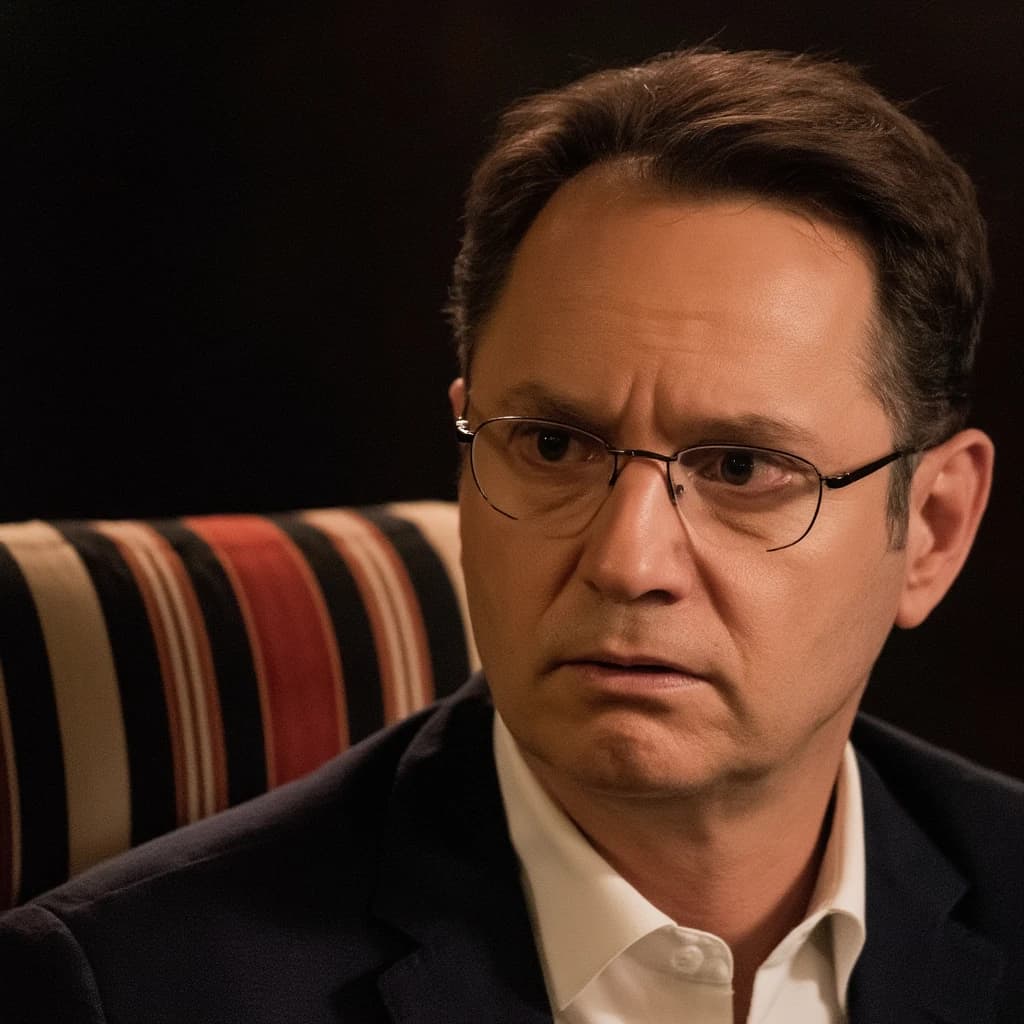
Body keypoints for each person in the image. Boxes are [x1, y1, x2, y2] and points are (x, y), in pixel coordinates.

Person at [0, 47, 1020, 1024]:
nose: (626, 562)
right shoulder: (125, 989)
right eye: (551, 444)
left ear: (930, 529)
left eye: (741, 469)